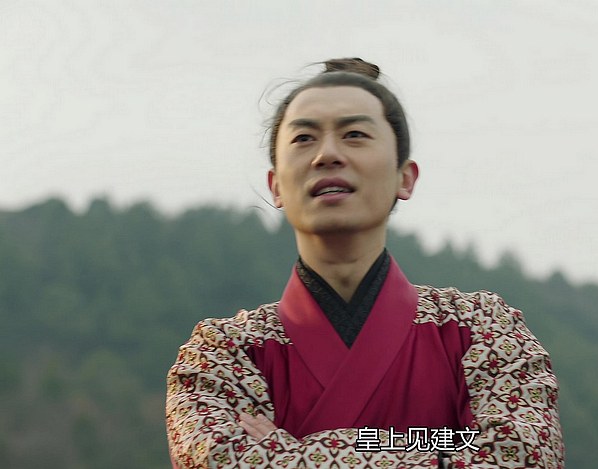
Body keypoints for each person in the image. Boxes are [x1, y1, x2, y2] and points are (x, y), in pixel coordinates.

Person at [165, 58, 565, 468]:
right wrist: (446, 446)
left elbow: (523, 457)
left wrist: (290, 451)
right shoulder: (222, 354)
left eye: (355, 134)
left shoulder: (481, 328)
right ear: (276, 185)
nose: (327, 154)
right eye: (304, 138)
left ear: (404, 177)